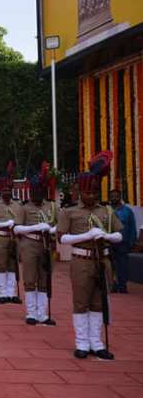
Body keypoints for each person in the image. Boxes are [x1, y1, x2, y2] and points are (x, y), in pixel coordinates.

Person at [58, 152, 123, 360]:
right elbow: (62, 238)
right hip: (81, 259)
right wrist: (86, 235)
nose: (91, 196)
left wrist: (107, 235)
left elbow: (119, 235)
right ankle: (82, 343)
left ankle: (97, 342)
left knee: (99, 302)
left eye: (94, 193)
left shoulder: (106, 211)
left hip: (102, 259)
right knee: (81, 301)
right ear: (80, 192)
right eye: (88, 193)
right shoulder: (70, 212)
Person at [14, 162, 58, 326]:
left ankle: (43, 314)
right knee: (30, 278)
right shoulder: (24, 207)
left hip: (46, 245)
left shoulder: (52, 206)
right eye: (33, 190)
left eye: (39, 190)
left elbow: (61, 225)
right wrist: (35, 227)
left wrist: (51, 230)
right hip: (30, 244)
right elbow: (17, 228)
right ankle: (31, 313)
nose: (36, 193)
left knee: (45, 278)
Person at [0, 162, 21, 304]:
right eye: (4, 189)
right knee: (2, 265)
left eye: (9, 189)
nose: (7, 192)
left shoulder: (17, 204)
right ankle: (2, 292)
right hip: (1, 237)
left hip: (14, 238)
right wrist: (4, 224)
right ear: (0, 190)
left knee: (13, 264)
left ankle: (12, 292)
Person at [109, 188, 136, 293]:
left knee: (122, 265)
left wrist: (132, 241)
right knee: (110, 265)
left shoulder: (127, 211)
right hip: (109, 242)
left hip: (123, 243)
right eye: (112, 196)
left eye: (116, 196)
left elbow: (132, 227)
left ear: (120, 197)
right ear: (110, 198)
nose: (114, 198)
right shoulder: (106, 210)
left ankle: (122, 285)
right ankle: (112, 285)